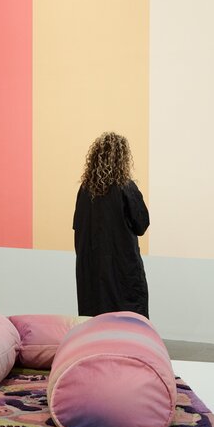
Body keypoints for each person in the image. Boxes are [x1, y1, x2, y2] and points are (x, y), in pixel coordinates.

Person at [73, 132, 150, 318]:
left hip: (91, 269)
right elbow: (142, 224)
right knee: (127, 321)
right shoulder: (126, 187)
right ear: (122, 159)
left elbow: (78, 228)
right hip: (122, 271)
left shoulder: (84, 190)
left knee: (96, 320)